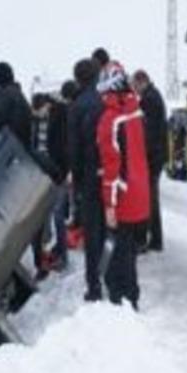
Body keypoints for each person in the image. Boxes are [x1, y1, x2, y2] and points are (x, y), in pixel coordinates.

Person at [96, 63, 151, 309]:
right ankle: (131, 296)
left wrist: (109, 204)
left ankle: (122, 300)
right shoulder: (136, 110)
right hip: (140, 191)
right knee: (129, 251)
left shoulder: (110, 120)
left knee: (119, 252)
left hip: (123, 195)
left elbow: (111, 167)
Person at [68, 58, 106, 301]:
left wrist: (77, 181)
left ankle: (94, 286)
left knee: (91, 231)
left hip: (89, 176)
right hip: (108, 172)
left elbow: (74, 149)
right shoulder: (104, 102)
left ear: (77, 79)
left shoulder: (76, 107)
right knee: (107, 228)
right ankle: (109, 273)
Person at [29, 91, 71, 279]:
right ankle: (48, 254)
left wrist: (67, 171)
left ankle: (63, 255)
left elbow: (65, 146)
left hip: (58, 173)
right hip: (43, 172)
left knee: (57, 215)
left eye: (41, 112)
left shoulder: (61, 116)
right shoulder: (36, 120)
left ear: (47, 105)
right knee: (44, 215)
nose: (40, 116)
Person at [131, 70, 168, 252]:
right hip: (157, 154)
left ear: (142, 82)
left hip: (153, 156)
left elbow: (149, 133)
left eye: (135, 86)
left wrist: (141, 153)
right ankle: (154, 239)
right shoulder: (153, 96)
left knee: (150, 199)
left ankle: (152, 240)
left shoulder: (149, 100)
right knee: (151, 198)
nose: (135, 90)